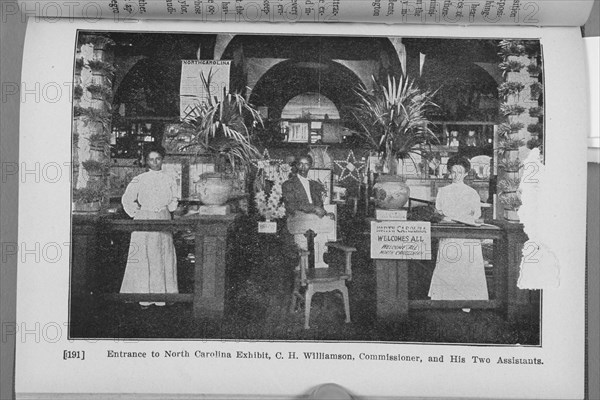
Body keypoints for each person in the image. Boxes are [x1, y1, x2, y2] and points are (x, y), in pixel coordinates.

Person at [120, 145, 179, 308]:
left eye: (158, 159)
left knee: (161, 255)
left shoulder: (169, 178)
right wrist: (136, 213)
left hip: (163, 218)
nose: (155, 162)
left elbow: (174, 199)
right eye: (151, 159)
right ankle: (142, 296)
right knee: (143, 256)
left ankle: (163, 295)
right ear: (146, 161)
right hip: (144, 219)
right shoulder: (140, 179)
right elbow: (127, 199)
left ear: (163, 159)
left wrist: (169, 208)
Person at [428, 156, 489, 305]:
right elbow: (439, 211)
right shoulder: (443, 191)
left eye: (460, 172)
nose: (456, 176)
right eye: (453, 172)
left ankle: (469, 301)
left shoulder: (472, 193)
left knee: (467, 268)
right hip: (449, 233)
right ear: (449, 172)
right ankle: (444, 300)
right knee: (448, 266)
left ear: (466, 173)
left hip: (467, 234)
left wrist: (458, 217)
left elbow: (476, 215)